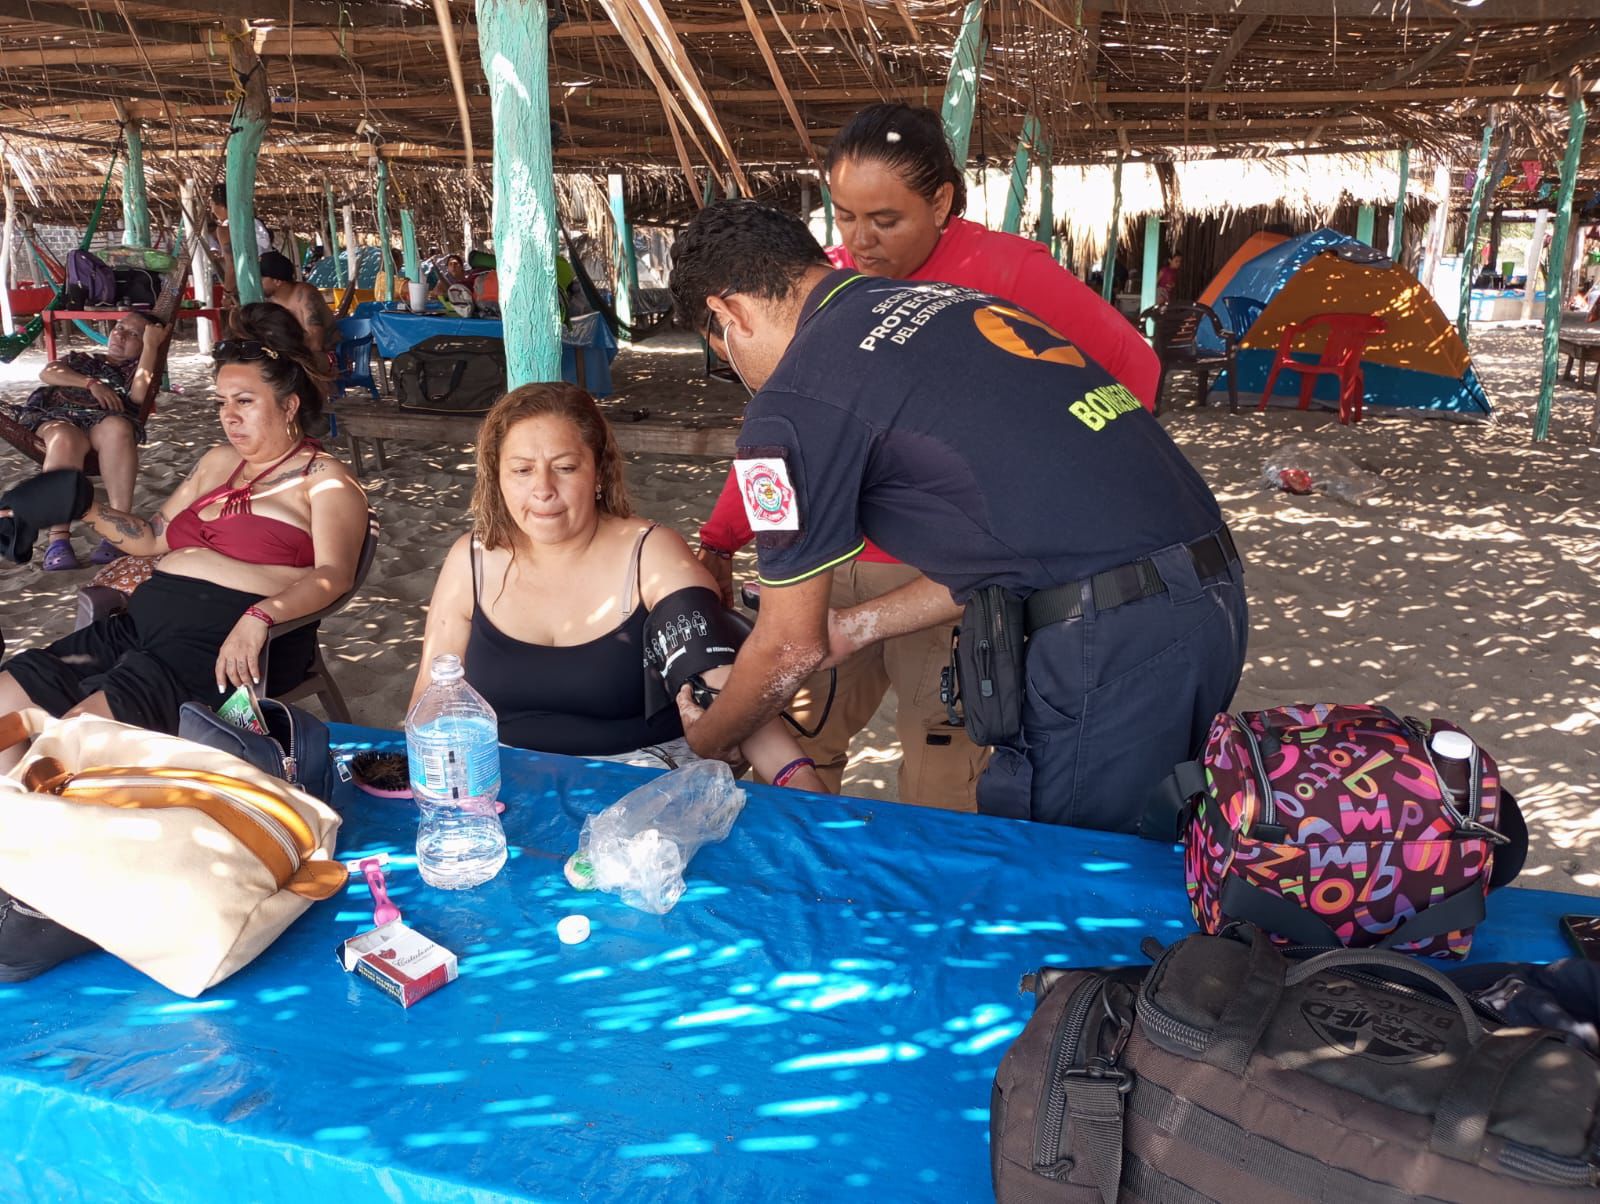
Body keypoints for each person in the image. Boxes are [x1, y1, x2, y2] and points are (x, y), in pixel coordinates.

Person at [668, 201, 1248, 833]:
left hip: (1110, 642)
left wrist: (710, 738)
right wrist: (856, 625)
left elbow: (788, 645)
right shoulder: (948, 303)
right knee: (1156, 846)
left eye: (722, 353)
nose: (740, 373)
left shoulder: (792, 400)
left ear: (729, 313)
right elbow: (1020, 543)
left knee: (1069, 864)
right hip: (1206, 597)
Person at [694, 103, 1161, 812]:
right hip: (827, 561)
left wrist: (1053, 482)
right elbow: (782, 431)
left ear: (940, 202)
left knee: (944, 760)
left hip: (942, 575)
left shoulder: (1009, 272)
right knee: (801, 739)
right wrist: (723, 536)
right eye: (845, 217)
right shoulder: (828, 286)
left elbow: (1134, 371)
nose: (860, 241)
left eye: (885, 220)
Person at [411, 382, 826, 792]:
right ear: (497, 478)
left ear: (599, 471)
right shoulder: (471, 560)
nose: (543, 490)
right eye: (521, 470)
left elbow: (719, 684)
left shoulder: (651, 555)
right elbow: (429, 703)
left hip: (644, 781)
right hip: (500, 780)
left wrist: (796, 775)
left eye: (565, 467)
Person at [0, 303, 369, 747]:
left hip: (226, 640)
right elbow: (152, 539)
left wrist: (260, 615)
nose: (229, 416)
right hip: (139, 626)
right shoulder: (218, 462)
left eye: (245, 401)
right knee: (5, 702)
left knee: (73, 742)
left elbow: (334, 576)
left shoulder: (324, 480)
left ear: (289, 405)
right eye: (222, 402)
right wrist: (86, 508)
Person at [4, 311, 167, 570]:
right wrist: (91, 383)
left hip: (102, 422)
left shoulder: (135, 370)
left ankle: (118, 530)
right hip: (57, 417)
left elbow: (138, 397)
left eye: (133, 334)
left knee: (119, 428)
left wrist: (151, 347)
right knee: (64, 438)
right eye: (119, 327)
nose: (120, 335)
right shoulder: (81, 360)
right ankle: (58, 539)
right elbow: (48, 372)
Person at [259, 251, 337, 357]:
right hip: (295, 356)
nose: (257, 282)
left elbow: (316, 344)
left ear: (277, 281)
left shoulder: (305, 295)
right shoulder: (269, 301)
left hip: (326, 355)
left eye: (261, 278)